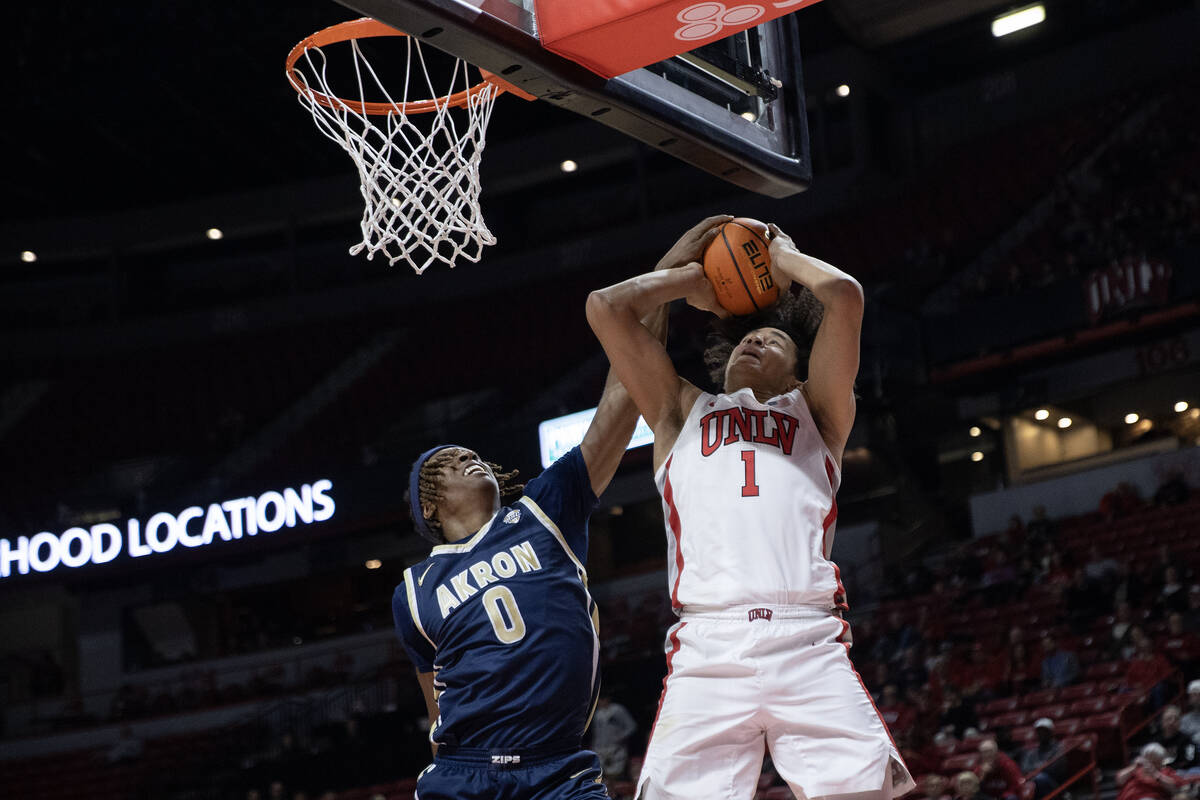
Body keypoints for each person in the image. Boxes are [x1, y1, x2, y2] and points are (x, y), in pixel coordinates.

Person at [587, 217, 914, 800]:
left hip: (806, 639)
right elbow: (605, 308)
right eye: (747, 337)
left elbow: (844, 296)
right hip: (709, 643)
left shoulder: (819, 412)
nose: (755, 340)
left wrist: (784, 259)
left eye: (774, 340)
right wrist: (689, 275)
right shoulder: (678, 409)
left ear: (799, 368)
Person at [391, 222, 690, 799]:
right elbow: (436, 705)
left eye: (471, 453)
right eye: (451, 461)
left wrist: (668, 278)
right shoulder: (414, 589)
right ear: (430, 504)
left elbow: (624, 391)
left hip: (560, 769)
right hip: (465, 773)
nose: (470, 459)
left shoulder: (546, 508)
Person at [1115, 742, 1193, 800]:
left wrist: (1155, 774)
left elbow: (1174, 788)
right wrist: (1134, 766)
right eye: (1148, 759)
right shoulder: (1135, 769)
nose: (1150, 763)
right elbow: (1119, 780)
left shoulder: (1166, 771)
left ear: (1161, 761)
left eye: (1154, 762)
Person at [589, 694, 639, 781]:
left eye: (602, 699)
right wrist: (594, 748)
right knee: (601, 776)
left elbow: (632, 726)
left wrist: (620, 737)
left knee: (615, 775)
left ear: (607, 699)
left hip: (616, 748)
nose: (600, 702)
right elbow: (596, 733)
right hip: (600, 749)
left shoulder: (618, 709)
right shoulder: (597, 713)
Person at [1019, 718, 1064, 800]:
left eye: (1044, 731)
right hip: (1034, 782)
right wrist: (1040, 768)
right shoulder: (1032, 752)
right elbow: (1024, 768)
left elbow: (1053, 769)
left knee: (1040, 778)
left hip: (1054, 784)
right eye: (1039, 731)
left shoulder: (1058, 749)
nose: (1041, 734)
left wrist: (1036, 769)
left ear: (1051, 732)